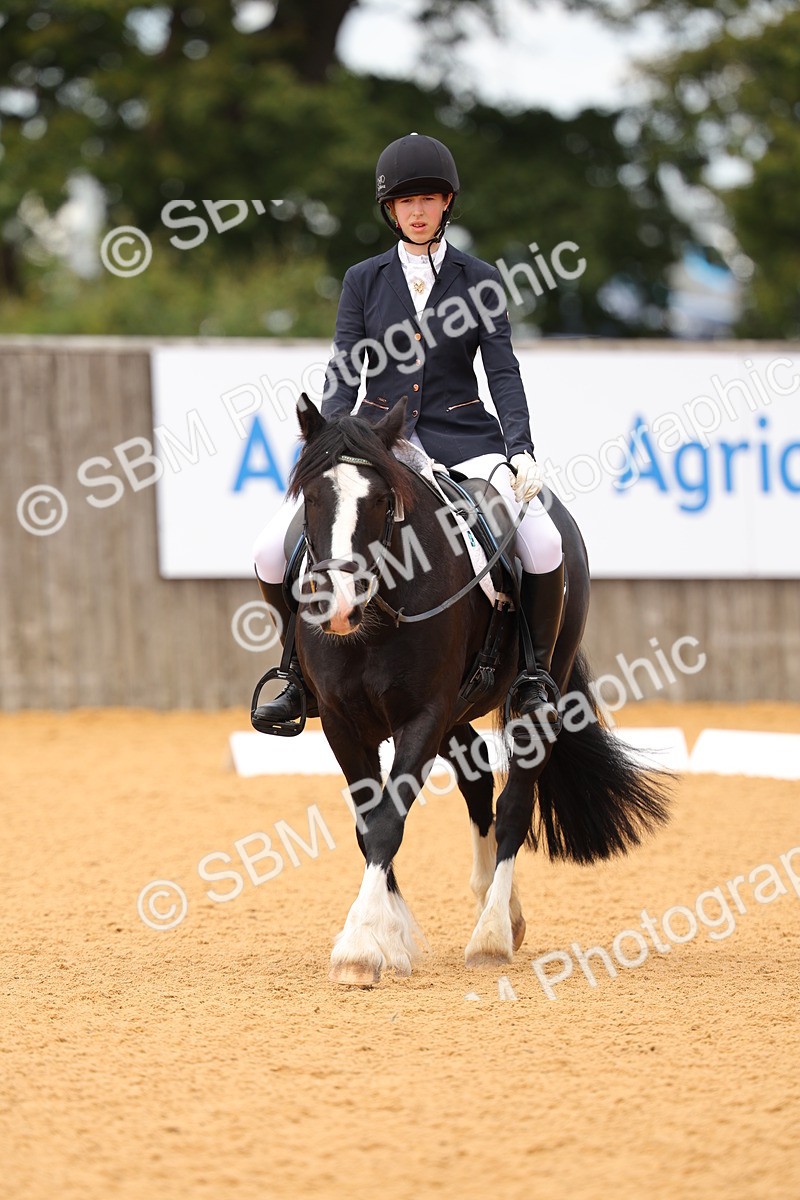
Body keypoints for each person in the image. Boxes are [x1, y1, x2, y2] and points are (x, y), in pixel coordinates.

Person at [252, 132, 564, 732]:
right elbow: (345, 366)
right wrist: (329, 437)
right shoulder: (363, 280)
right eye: (405, 202)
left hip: (466, 440)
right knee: (269, 552)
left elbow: (502, 369)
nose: (417, 211)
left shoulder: (480, 279)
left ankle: (533, 678)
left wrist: (520, 448)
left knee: (545, 544)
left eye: (428, 199)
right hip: (377, 444)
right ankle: (296, 671)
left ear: (447, 202)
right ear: (390, 210)